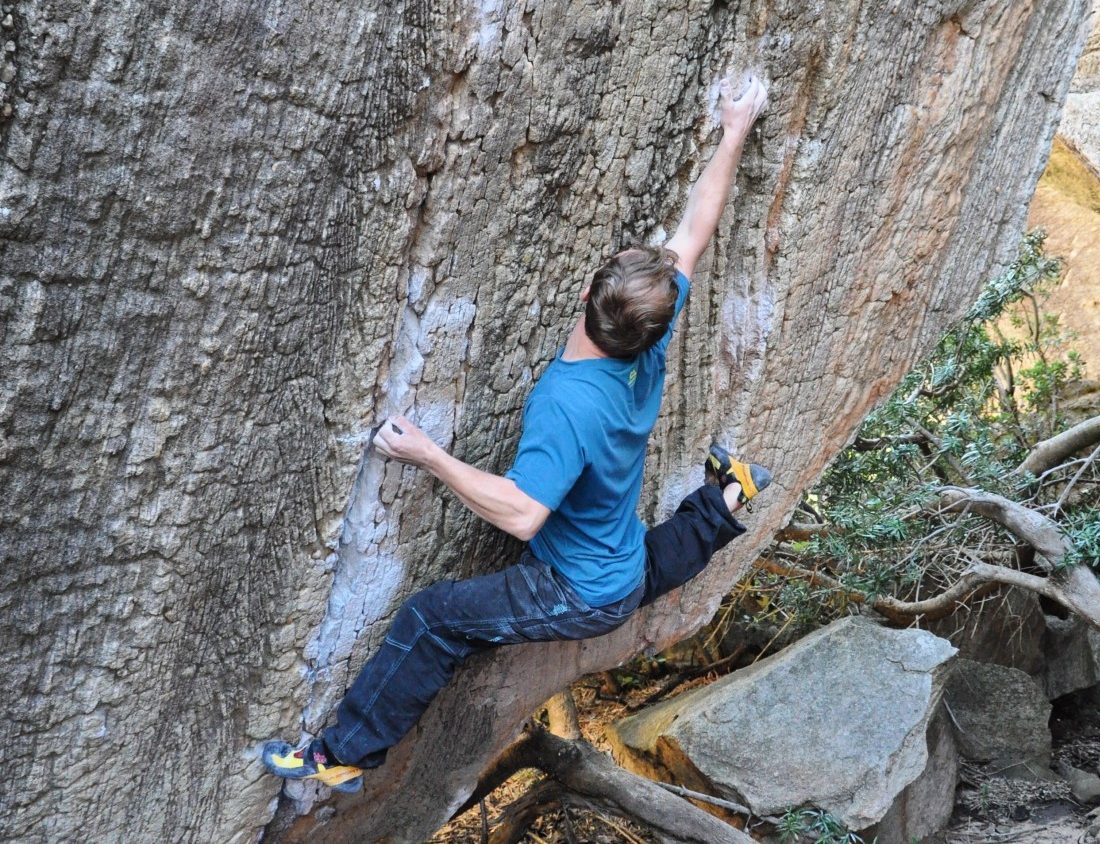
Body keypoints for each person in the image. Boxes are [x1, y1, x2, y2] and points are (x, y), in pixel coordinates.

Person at [261, 75, 772, 793]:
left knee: (434, 619)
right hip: (620, 561)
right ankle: (720, 505)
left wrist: (429, 456)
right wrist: (735, 129)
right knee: (641, 570)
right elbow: (695, 234)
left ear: (587, 294)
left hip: (579, 589)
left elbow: (524, 512)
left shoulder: (568, 402)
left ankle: (342, 753)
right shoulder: (647, 347)